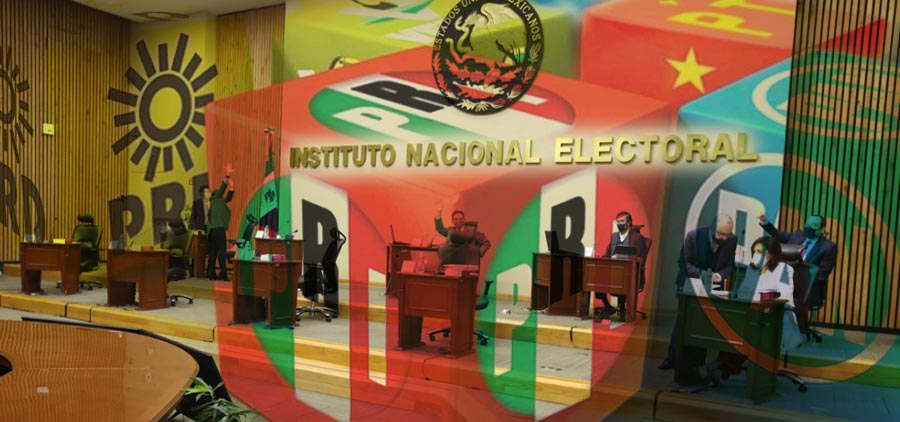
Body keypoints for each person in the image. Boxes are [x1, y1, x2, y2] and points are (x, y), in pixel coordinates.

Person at [707, 237, 803, 383]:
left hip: (777, 317)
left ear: (771, 253)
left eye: (761, 252)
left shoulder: (784, 269)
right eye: (755, 251)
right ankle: (723, 366)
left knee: (748, 332)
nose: (757, 255)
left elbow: (782, 296)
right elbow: (743, 292)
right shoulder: (752, 269)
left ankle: (722, 366)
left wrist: (758, 296)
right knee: (735, 328)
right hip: (752, 314)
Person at [658, 214, 737, 372]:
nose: (724, 238)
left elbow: (730, 265)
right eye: (721, 234)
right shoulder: (693, 236)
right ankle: (672, 357)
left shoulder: (731, 240)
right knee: (683, 322)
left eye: (727, 235)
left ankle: (697, 363)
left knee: (703, 324)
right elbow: (684, 262)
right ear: (713, 228)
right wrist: (702, 275)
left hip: (712, 289)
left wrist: (719, 275)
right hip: (689, 285)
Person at [758, 214, 837, 309]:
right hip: (783, 281)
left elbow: (823, 273)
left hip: (805, 286)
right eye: (807, 224)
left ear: (822, 229)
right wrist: (764, 221)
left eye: (814, 225)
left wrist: (800, 274)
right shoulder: (798, 235)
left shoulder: (828, 247)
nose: (809, 227)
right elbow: (777, 234)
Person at [594, 211, 648, 320]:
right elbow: (608, 254)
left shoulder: (637, 238)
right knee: (597, 277)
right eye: (617, 222)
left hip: (628, 273)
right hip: (614, 271)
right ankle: (607, 306)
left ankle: (624, 309)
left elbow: (640, 258)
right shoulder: (614, 236)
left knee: (620, 279)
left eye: (622, 221)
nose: (619, 224)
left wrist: (629, 259)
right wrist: (601, 260)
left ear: (629, 223)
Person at [207, 165, 235, 280]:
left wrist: (232, 188)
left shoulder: (217, 203)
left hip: (212, 230)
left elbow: (228, 198)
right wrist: (227, 175)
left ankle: (211, 273)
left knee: (213, 251)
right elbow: (223, 188)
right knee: (222, 251)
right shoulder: (216, 198)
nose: (222, 195)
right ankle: (223, 273)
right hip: (218, 228)